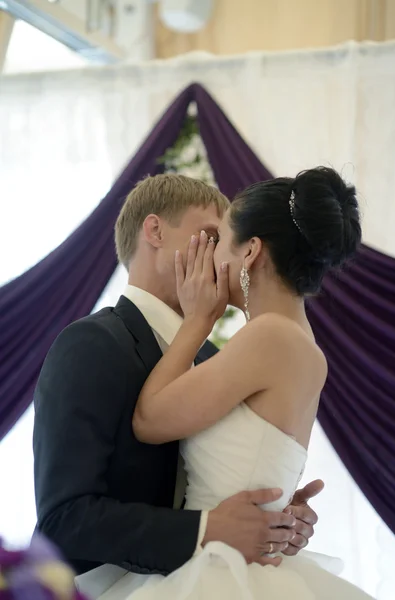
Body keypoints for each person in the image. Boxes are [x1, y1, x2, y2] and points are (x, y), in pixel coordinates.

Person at [33, 175, 320, 599]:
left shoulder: (216, 361)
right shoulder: (92, 344)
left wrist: (273, 517)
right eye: (210, 237)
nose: (224, 258)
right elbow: (62, 520)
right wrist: (205, 530)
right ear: (154, 231)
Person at [99, 167, 374, 599]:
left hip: (222, 574)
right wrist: (281, 512)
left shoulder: (270, 336)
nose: (210, 258)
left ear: (250, 252)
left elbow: (149, 420)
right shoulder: (294, 338)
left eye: (221, 240)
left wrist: (197, 322)